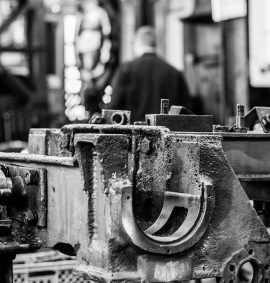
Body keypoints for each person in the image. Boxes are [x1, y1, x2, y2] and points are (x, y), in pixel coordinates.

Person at [109, 26, 191, 122]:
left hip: (133, 133)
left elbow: (114, 107)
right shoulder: (174, 72)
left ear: (137, 43)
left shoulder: (126, 69)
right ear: (155, 44)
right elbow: (187, 109)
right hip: (167, 132)